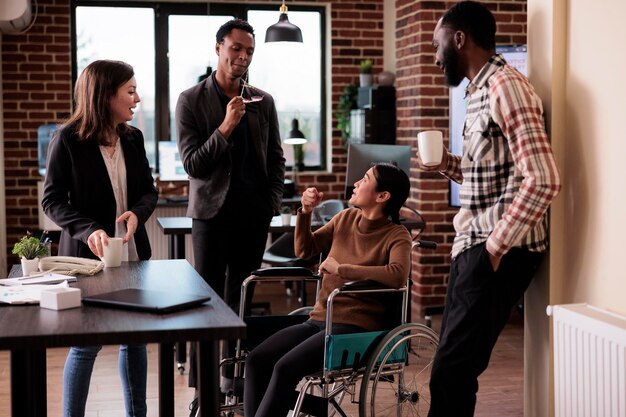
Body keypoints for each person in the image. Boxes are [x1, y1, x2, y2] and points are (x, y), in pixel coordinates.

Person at [420, 2, 562, 416]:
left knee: (451, 371)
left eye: (437, 43)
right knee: (452, 368)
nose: (434, 55)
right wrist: (446, 164)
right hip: (474, 245)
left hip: (496, 248)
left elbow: (543, 178)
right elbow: (497, 179)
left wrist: (494, 249)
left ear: (459, 38)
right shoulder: (478, 91)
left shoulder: (506, 86)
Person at [175, 17, 285, 407]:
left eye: (249, 51)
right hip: (211, 216)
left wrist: (271, 204)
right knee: (207, 304)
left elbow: (276, 159)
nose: (242, 56)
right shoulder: (190, 100)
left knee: (240, 302)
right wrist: (225, 127)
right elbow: (193, 165)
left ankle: (232, 385)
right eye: (236, 48)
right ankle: (204, 393)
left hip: (253, 217)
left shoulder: (263, 101)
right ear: (218, 48)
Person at [244, 163, 412, 417]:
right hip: (319, 319)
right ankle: (311, 408)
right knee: (257, 360)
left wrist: (343, 269)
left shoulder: (397, 235)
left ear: (382, 196)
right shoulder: (344, 218)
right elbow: (304, 250)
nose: (356, 183)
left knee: (284, 368)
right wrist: (306, 212)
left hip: (353, 327)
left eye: (365, 179)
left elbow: (398, 274)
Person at [42, 60, 158, 417]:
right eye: (130, 90)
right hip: (86, 261)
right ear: (106, 95)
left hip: (132, 256)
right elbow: (52, 200)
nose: (137, 98)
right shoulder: (67, 139)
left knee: (135, 341)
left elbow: (148, 193)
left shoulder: (134, 137)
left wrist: (137, 213)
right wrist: (88, 228)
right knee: (86, 346)